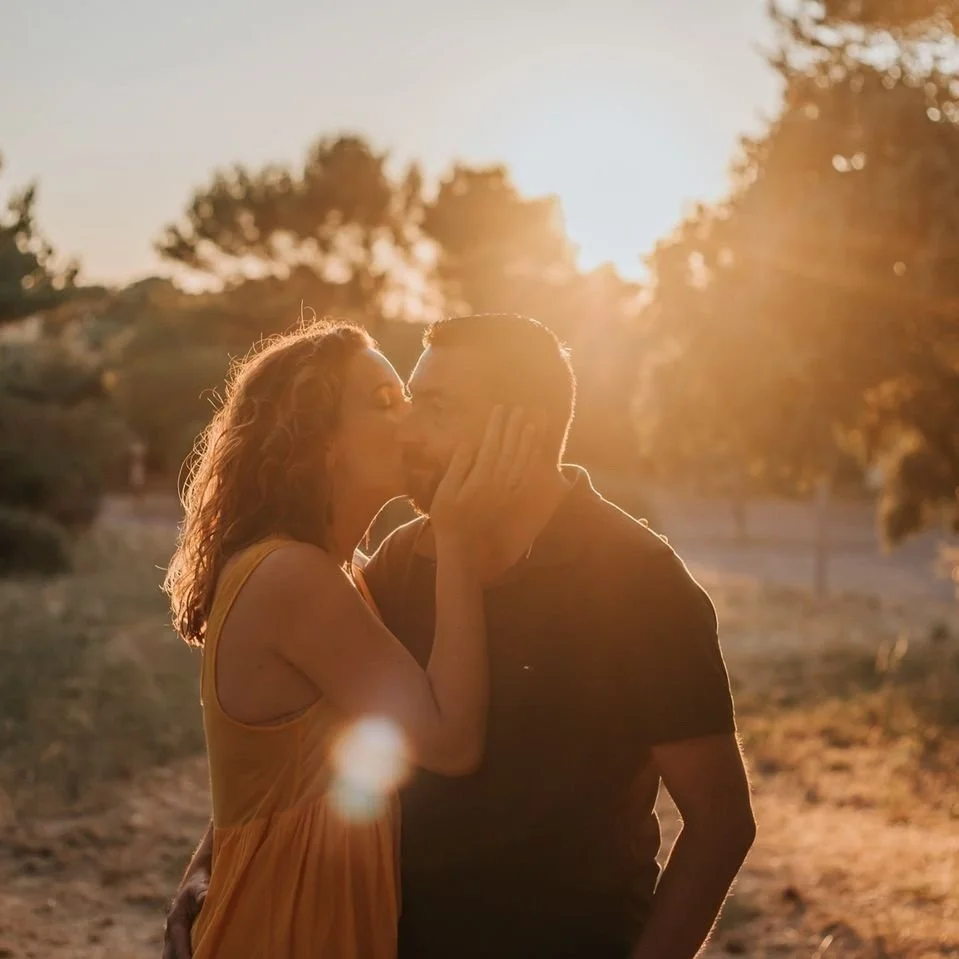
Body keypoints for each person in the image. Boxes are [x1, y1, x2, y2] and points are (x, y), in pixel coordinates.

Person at [166, 313, 756, 959]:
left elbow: (719, 822)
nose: (410, 429)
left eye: (436, 408)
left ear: (518, 429)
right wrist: (212, 859)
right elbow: (297, 743)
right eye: (404, 403)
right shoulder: (400, 561)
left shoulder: (637, 580)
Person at [161, 319, 537, 959]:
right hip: (284, 928)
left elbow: (273, 772)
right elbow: (449, 743)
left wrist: (208, 857)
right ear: (322, 444)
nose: (412, 422)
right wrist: (454, 535)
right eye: (385, 403)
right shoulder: (292, 576)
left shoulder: (337, 576)